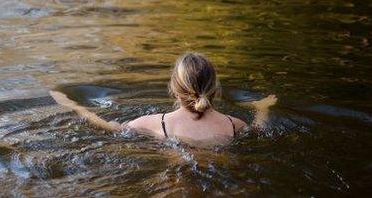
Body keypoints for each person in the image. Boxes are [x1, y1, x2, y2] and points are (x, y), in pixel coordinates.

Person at [50, 52, 277, 145]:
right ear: (215, 88)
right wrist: (263, 108)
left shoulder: (155, 123)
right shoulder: (234, 125)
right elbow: (258, 129)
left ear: (174, 89)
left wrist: (74, 105)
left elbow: (110, 128)